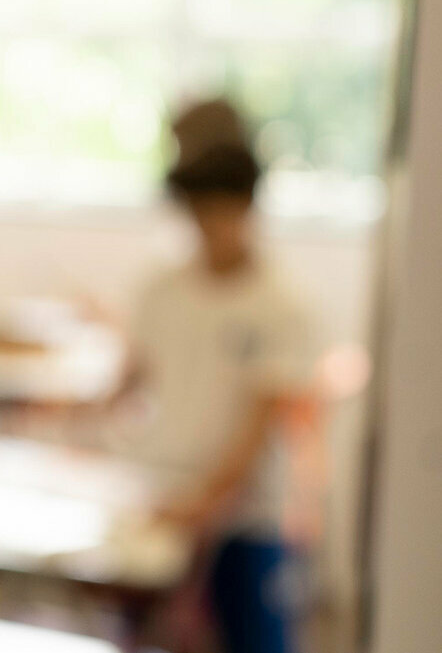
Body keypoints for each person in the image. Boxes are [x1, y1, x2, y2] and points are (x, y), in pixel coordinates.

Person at [126, 99, 321, 653]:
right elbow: (130, 385)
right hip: (162, 503)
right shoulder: (161, 292)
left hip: (244, 522)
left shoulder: (282, 306)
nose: (210, 228)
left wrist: (201, 505)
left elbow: (257, 430)